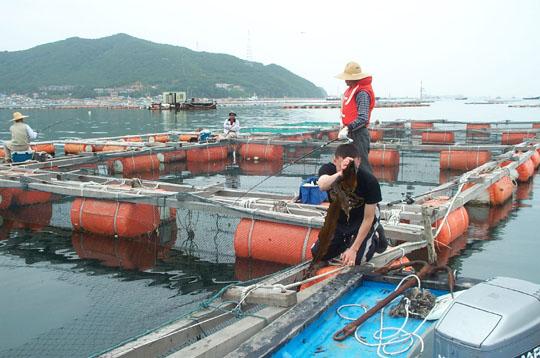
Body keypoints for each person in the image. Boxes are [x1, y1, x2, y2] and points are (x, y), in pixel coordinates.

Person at [311, 143, 386, 266]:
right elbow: (322, 185)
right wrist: (341, 173)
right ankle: (343, 242)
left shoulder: (369, 181)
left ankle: (375, 238)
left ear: (359, 162)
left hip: (363, 217)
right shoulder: (328, 170)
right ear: (335, 161)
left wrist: (354, 249)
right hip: (340, 216)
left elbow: (368, 218)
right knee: (318, 253)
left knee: (357, 261)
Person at [335, 61, 376, 173]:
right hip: (350, 133)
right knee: (349, 166)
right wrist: (343, 127)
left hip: (359, 134)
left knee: (362, 166)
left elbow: (363, 118)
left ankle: (370, 190)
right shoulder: (351, 89)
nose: (345, 80)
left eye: (347, 77)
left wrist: (348, 128)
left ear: (354, 78)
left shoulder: (362, 93)